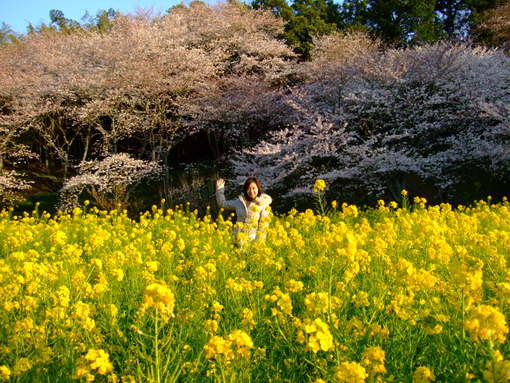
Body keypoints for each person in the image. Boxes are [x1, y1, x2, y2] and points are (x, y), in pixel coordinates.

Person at [216, 177, 272, 242]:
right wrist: (219, 189)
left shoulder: (262, 204)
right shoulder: (240, 202)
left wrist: (258, 243)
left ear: (258, 188)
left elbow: (263, 226)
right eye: (248, 188)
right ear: (245, 190)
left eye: (254, 188)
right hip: (236, 238)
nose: (251, 191)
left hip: (251, 240)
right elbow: (222, 204)